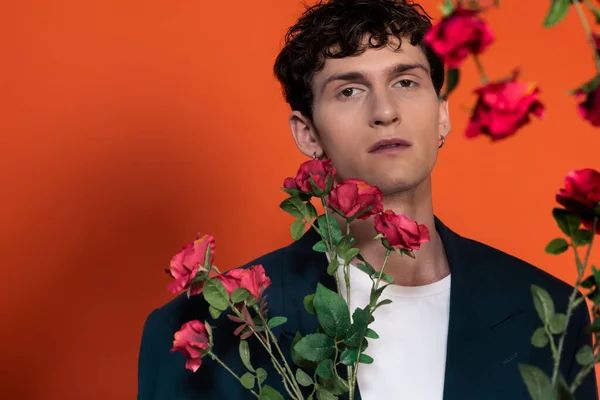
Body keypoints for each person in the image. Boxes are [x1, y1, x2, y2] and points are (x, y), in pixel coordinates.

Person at [137, 0, 598, 399]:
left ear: (442, 115)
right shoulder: (204, 332)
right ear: (308, 133)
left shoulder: (554, 314)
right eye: (349, 90)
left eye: (405, 82)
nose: (384, 111)